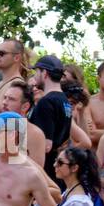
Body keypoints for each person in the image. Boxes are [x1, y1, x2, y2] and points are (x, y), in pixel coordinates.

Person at [29, 55, 73, 188]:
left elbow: (46, 145)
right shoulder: (65, 100)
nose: (35, 75)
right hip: (58, 170)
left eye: (37, 71)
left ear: (45, 73)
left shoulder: (46, 102)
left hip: (45, 172)